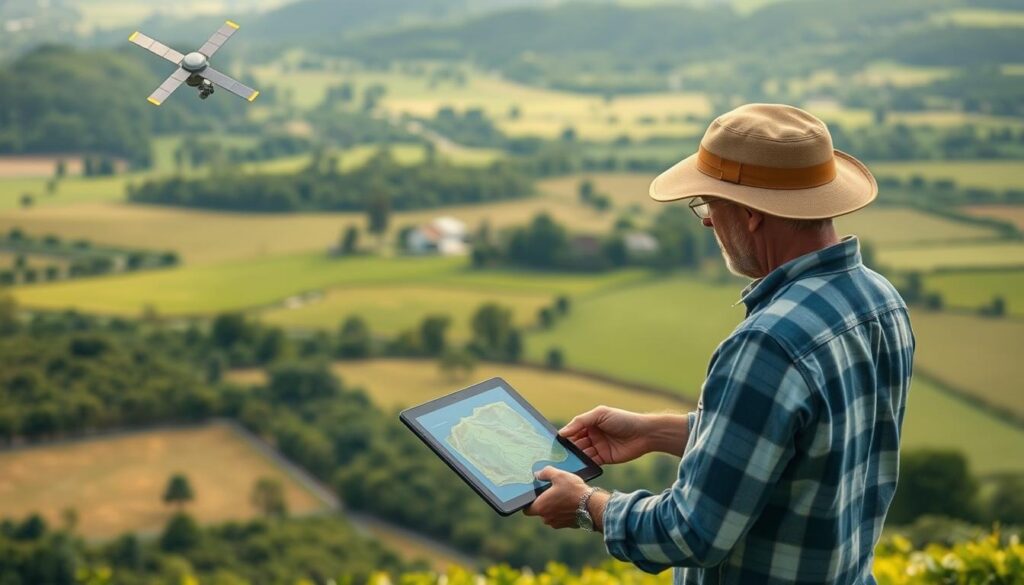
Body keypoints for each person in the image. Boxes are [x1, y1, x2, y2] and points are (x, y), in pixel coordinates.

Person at [524, 103, 915, 584]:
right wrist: (657, 432)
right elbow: (797, 449)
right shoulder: (880, 302)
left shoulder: (768, 344)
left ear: (751, 214)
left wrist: (587, 504)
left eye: (709, 203)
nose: (707, 221)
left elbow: (692, 532)